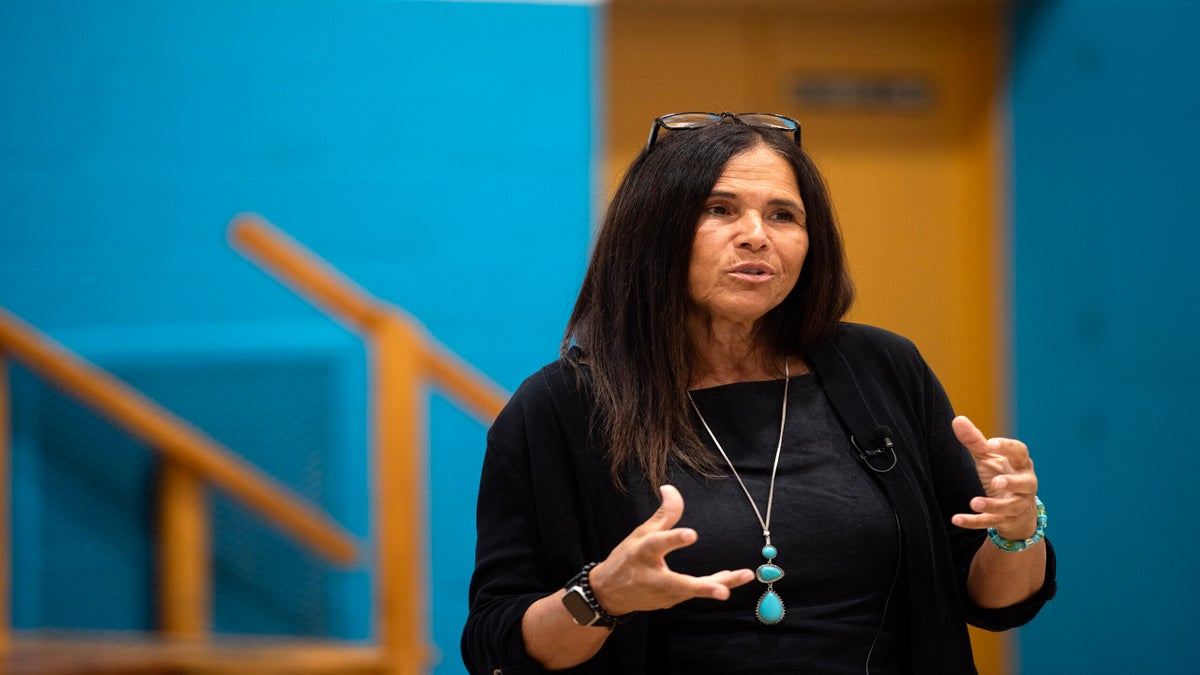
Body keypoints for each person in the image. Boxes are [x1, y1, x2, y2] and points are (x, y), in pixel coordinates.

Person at [461, 112, 1056, 674]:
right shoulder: (559, 408)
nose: (755, 237)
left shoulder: (882, 369)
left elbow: (998, 604)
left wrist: (1017, 529)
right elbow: (498, 643)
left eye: (783, 216)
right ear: (652, 233)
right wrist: (601, 595)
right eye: (719, 209)